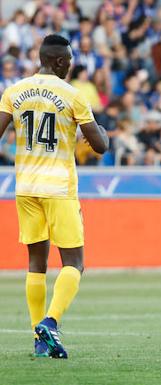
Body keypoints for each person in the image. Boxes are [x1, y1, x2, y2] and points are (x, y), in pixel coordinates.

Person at [0, 34, 109, 358]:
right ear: (60, 61)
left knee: (36, 262)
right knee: (74, 262)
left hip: (26, 187)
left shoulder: (15, 91)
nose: (71, 64)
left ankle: (38, 340)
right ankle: (51, 321)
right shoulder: (72, 95)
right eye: (70, 60)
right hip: (59, 187)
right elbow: (99, 146)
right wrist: (100, 129)